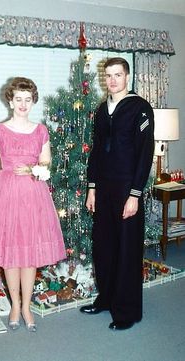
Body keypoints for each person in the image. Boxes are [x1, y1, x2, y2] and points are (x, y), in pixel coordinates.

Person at [0, 77, 66, 331]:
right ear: (10, 101)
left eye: (28, 99)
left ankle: (26, 307)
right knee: (11, 255)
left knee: (30, 255)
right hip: (5, 196)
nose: (23, 104)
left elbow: (47, 162)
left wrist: (34, 168)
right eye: (18, 99)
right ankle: (15, 304)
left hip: (33, 195)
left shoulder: (40, 130)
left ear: (33, 101)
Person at [80, 57, 154, 330]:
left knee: (126, 249)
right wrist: (92, 188)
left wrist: (134, 194)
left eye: (118, 75)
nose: (112, 80)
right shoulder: (101, 110)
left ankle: (126, 312)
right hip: (104, 188)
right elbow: (97, 151)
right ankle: (106, 299)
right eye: (108, 75)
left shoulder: (140, 109)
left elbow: (145, 154)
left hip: (126, 188)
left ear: (127, 76)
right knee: (104, 246)